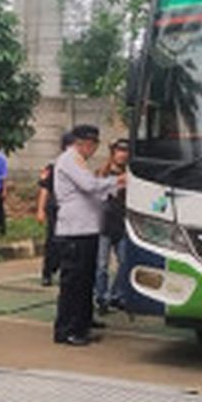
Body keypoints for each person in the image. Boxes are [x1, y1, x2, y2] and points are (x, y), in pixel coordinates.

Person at [53, 124, 126, 346]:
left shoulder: (80, 161)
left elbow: (96, 190)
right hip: (75, 229)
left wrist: (113, 186)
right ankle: (67, 329)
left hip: (87, 228)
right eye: (92, 145)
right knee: (74, 282)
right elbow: (89, 185)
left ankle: (82, 322)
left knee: (86, 280)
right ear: (83, 143)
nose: (93, 150)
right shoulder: (69, 159)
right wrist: (117, 181)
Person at [95, 139, 131, 315]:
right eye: (120, 150)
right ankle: (101, 297)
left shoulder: (131, 174)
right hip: (104, 224)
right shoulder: (103, 173)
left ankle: (116, 295)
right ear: (113, 152)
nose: (123, 154)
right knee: (102, 265)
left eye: (126, 151)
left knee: (125, 262)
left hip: (122, 224)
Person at [37, 131, 75, 286]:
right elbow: (45, 189)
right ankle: (47, 272)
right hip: (55, 209)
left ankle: (63, 270)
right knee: (52, 242)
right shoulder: (54, 166)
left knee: (68, 243)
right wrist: (40, 209)